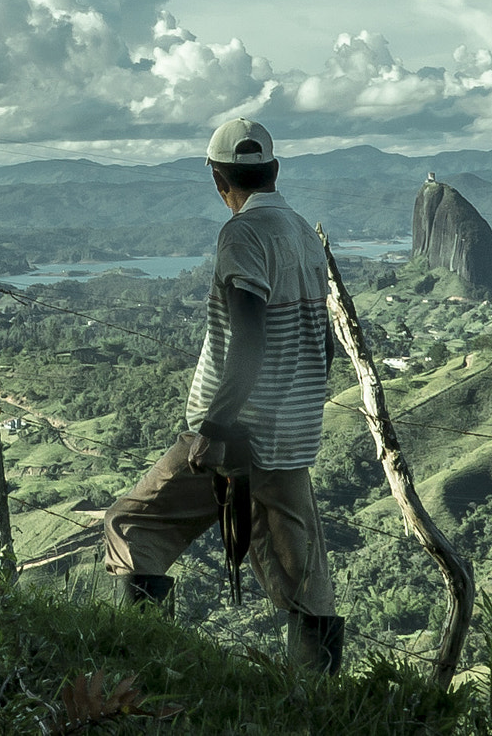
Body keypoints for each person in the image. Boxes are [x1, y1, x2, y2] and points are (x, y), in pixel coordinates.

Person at [101, 117, 344, 673]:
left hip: (236, 436)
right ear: (274, 171)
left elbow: (249, 338)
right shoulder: (305, 233)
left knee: (133, 523)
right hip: (292, 438)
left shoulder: (242, 234)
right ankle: (317, 700)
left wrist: (214, 428)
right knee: (303, 576)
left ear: (217, 180)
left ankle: (136, 666)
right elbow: (324, 344)